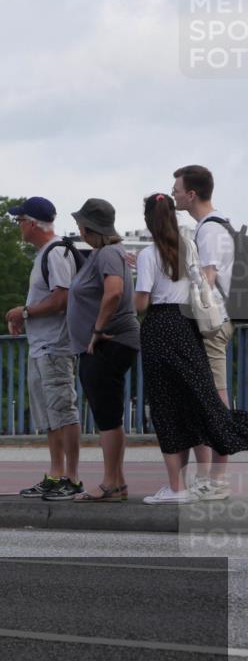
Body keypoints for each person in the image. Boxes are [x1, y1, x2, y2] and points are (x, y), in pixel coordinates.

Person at [135, 193, 248, 504]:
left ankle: (176, 487)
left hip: (159, 327)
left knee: (165, 407)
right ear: (173, 217)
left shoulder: (148, 255)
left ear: (148, 221)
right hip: (187, 326)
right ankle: (208, 468)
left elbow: (142, 302)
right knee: (196, 399)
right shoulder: (189, 248)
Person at [5, 197, 83, 501]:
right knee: (50, 414)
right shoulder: (44, 254)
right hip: (41, 344)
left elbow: (61, 298)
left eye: (20, 221)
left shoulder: (56, 251)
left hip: (56, 345)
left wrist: (24, 313)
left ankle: (72, 477)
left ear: (33, 224)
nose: (19, 227)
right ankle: (55, 473)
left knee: (63, 409)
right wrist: (26, 316)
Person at [67, 199, 140, 502]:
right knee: (107, 413)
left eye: (81, 225)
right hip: (109, 342)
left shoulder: (108, 253)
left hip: (109, 341)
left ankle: (111, 482)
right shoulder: (105, 253)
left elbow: (114, 292)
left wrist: (97, 330)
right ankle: (117, 482)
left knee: (107, 414)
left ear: (89, 227)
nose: (79, 229)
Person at [172, 165, 235, 501]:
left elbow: (206, 279)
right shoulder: (219, 223)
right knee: (210, 397)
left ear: (191, 194)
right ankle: (212, 476)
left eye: (177, 189)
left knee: (215, 399)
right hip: (220, 320)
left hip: (211, 323)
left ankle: (219, 478)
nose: (174, 194)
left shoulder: (209, 230)